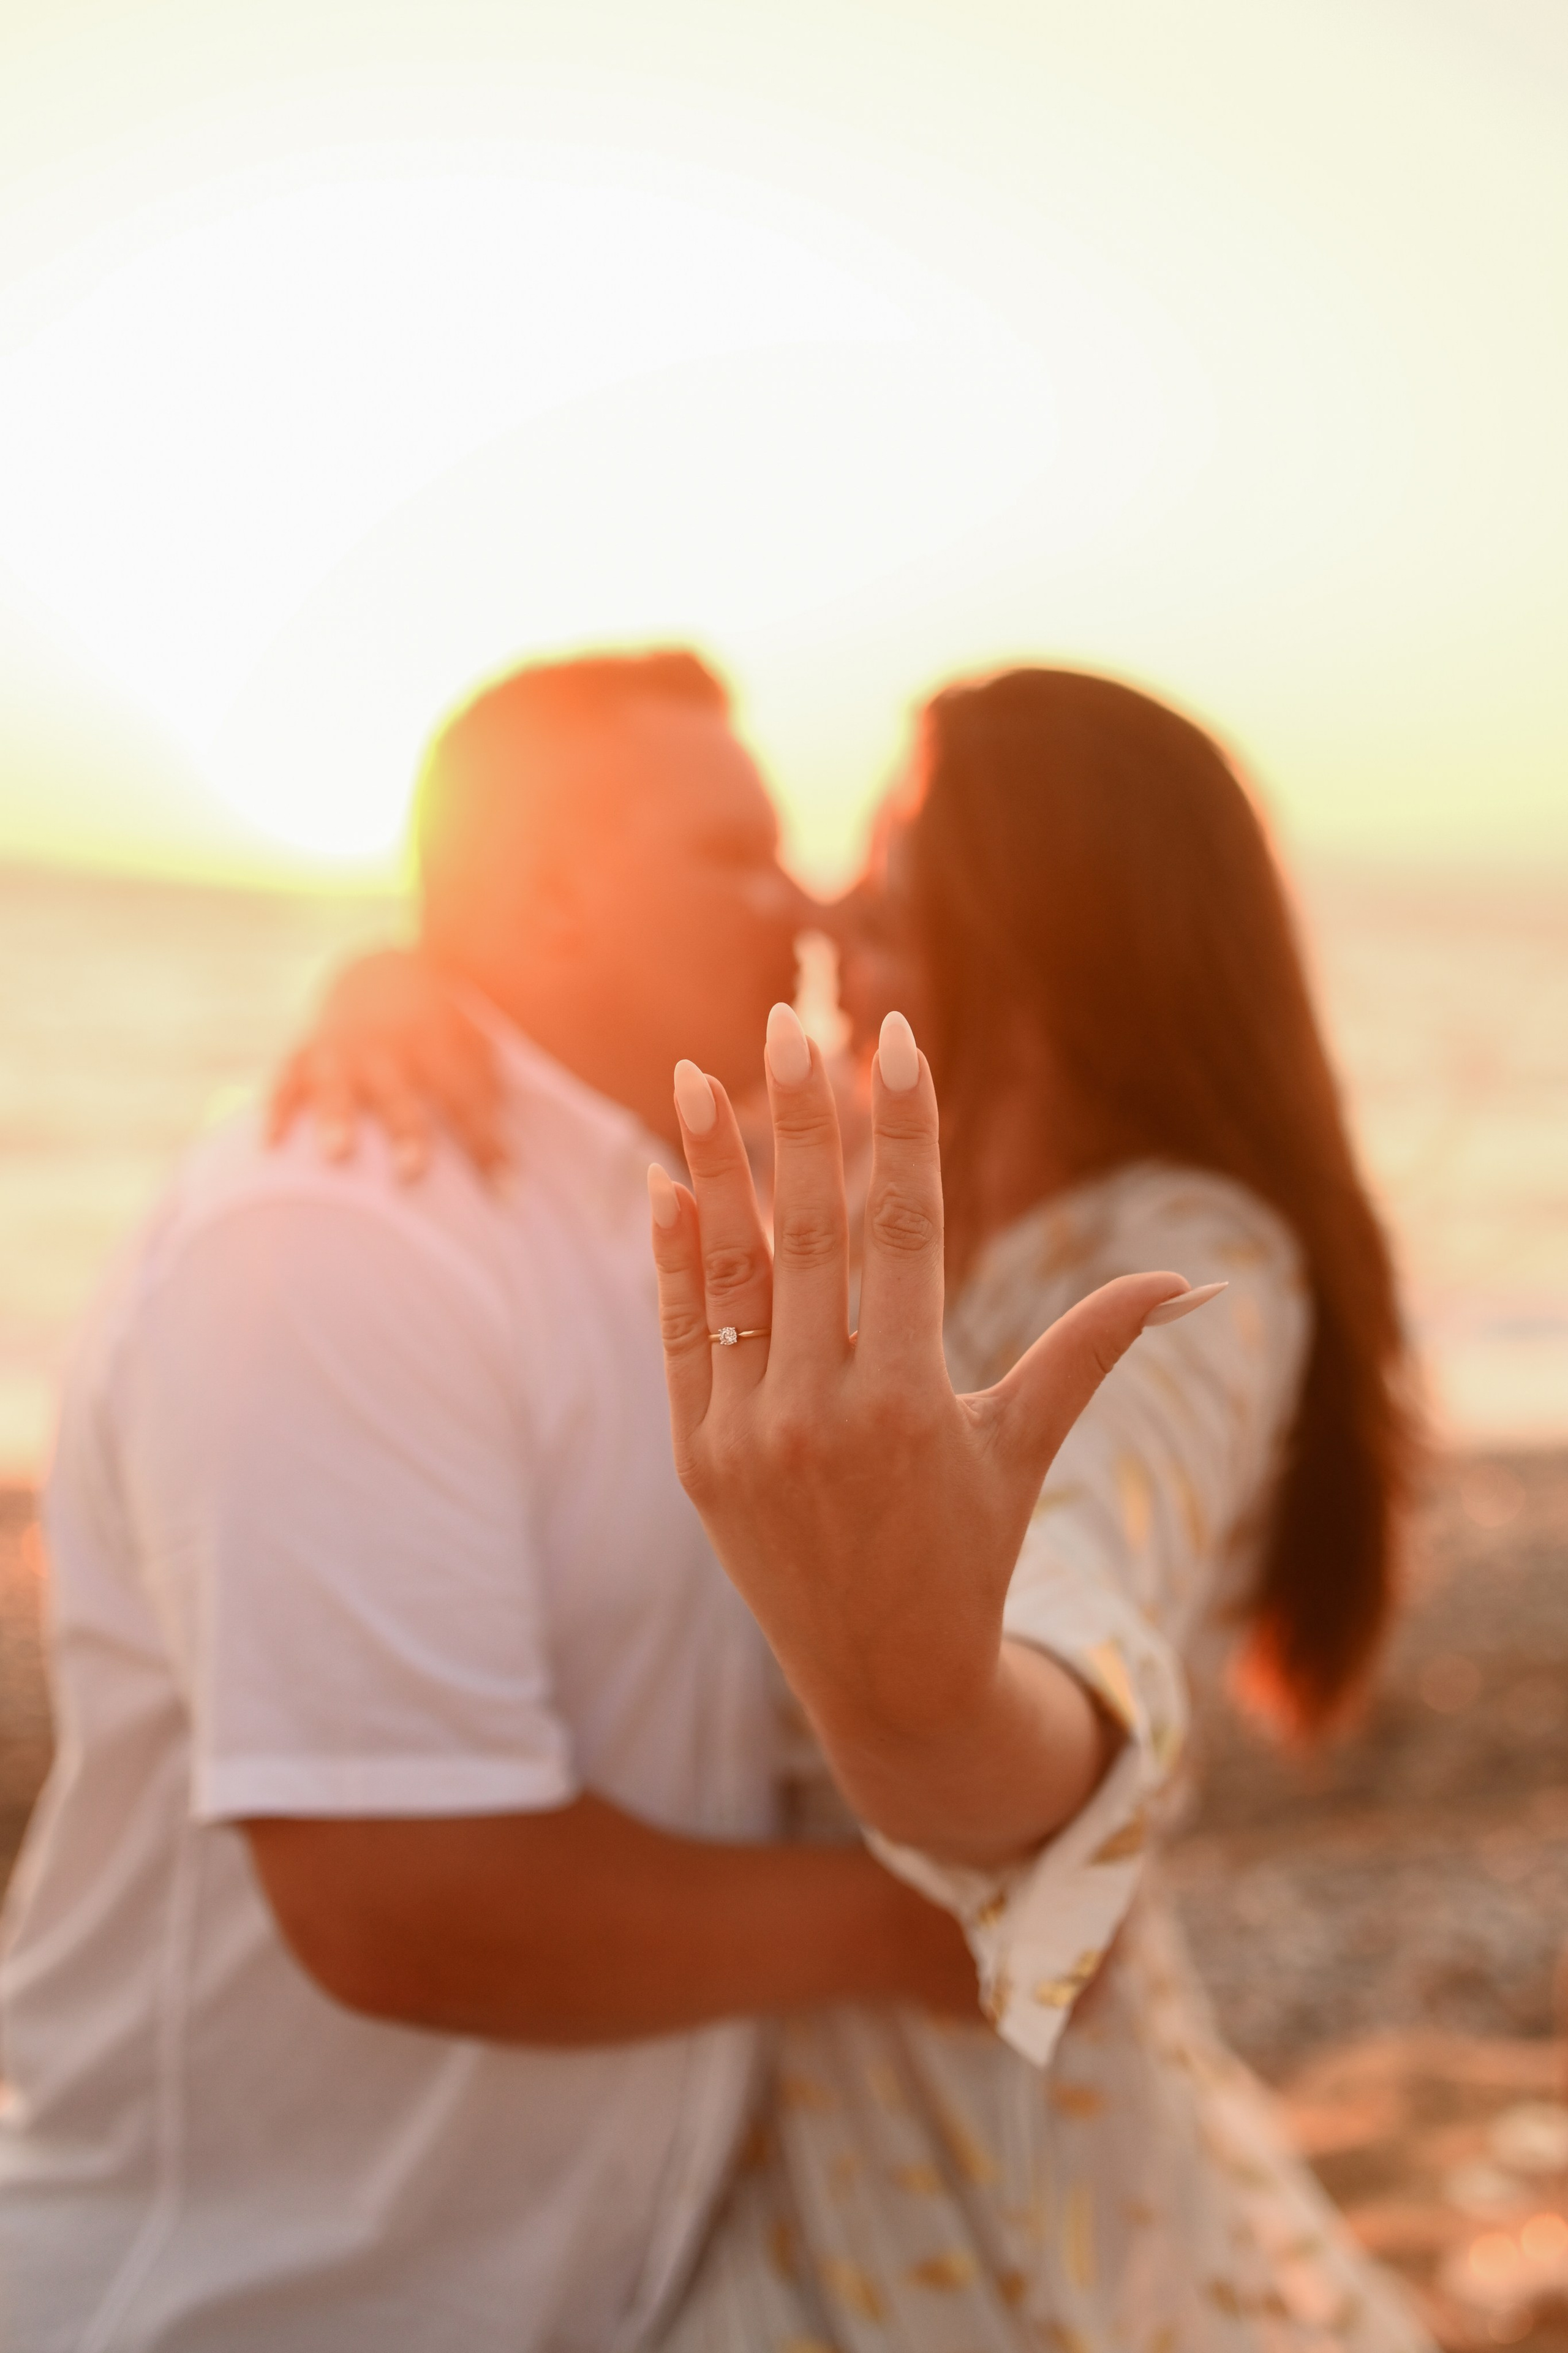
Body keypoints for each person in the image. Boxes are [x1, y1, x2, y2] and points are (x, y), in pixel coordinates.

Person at [0, 650, 1185, 2353]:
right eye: (731, 852)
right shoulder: (344, 1236)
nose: (795, 902)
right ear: (550, 895)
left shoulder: (670, 1185)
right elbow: (406, 1896)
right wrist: (943, 1919)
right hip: (249, 2304)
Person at [293, 665, 1434, 2349]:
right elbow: (584, 1049)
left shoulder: (1184, 1269)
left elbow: (1065, 1671)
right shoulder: (856, 1190)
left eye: (899, 841)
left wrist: (930, 1688)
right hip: (725, 2107)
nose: (839, 892)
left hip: (961, 2177)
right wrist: (399, 981)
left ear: (1054, 904)